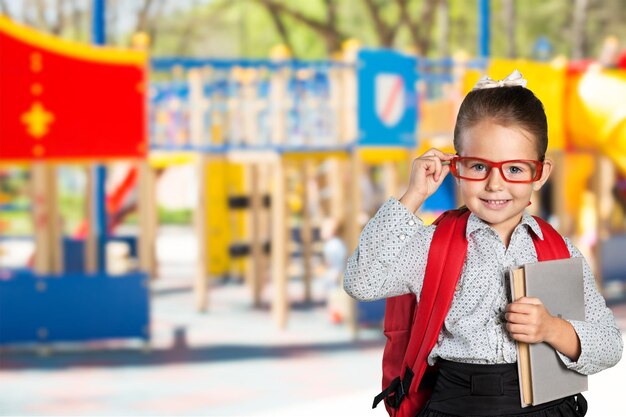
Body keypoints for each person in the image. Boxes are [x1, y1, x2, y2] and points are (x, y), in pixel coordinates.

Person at [344, 70, 623, 417]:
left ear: (541, 173)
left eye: (516, 169)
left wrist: (553, 329)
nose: (495, 184)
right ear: (456, 166)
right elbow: (360, 281)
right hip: (456, 405)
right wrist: (412, 196)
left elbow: (610, 346)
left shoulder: (560, 251)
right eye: (478, 166)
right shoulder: (433, 244)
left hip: (547, 406)